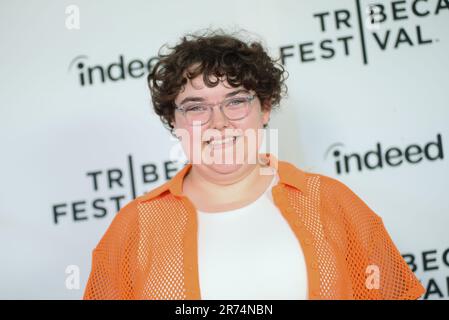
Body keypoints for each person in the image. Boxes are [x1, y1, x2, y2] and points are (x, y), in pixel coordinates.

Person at [83, 30, 426, 300]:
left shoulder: (329, 200)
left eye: (235, 101)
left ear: (264, 108)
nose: (218, 123)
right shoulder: (135, 227)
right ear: (175, 120)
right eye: (196, 107)